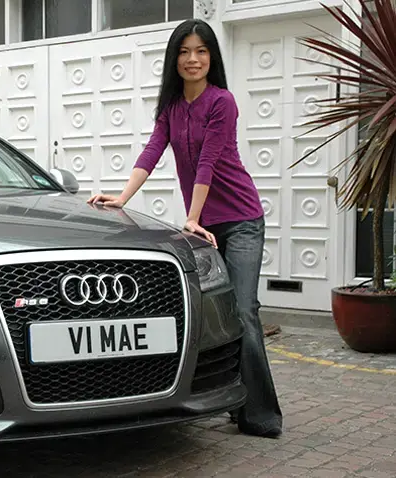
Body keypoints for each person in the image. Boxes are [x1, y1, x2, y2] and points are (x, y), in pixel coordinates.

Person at [87, 18, 283, 439]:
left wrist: (192, 217)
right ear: (174, 59)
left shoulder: (222, 102)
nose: (193, 60)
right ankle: (233, 397)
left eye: (201, 51)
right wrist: (122, 197)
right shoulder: (171, 109)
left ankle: (261, 414)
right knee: (220, 313)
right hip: (205, 223)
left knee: (244, 311)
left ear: (212, 57)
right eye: (184, 52)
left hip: (242, 220)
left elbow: (209, 161)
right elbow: (152, 152)